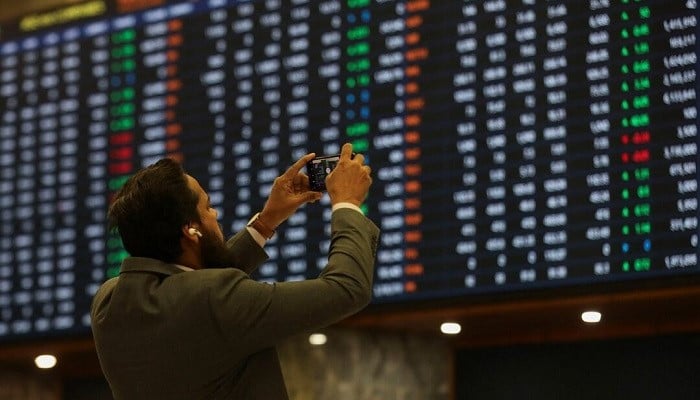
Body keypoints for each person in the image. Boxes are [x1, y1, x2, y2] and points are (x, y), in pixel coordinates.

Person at [90, 143, 379, 399]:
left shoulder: (108, 302)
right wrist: (347, 204)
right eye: (208, 207)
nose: (215, 215)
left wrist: (267, 221)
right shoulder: (215, 299)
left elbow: (191, 290)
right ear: (191, 230)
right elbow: (346, 289)